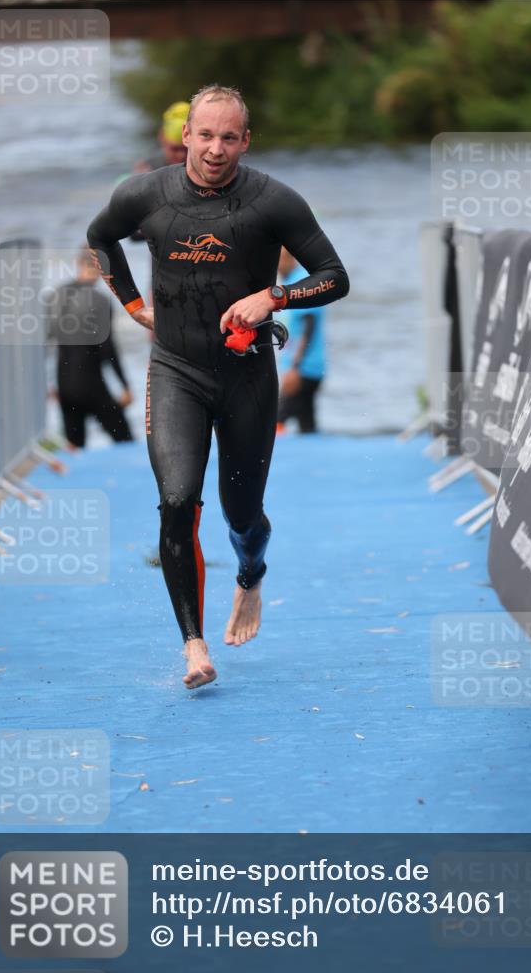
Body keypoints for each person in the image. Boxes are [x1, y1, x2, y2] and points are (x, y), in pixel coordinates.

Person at [87, 84, 349, 690]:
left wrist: (273, 296)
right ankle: (194, 645)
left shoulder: (273, 201)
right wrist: (132, 304)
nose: (215, 149)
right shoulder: (145, 194)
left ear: (245, 141)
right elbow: (100, 237)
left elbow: (334, 276)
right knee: (178, 500)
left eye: (229, 137)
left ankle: (250, 575)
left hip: (246, 376)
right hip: (174, 371)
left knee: (242, 512)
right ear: (185, 136)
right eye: (205, 135)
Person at [47, 247, 134, 449]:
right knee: (125, 440)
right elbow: (108, 349)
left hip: (64, 385)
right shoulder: (100, 300)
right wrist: (125, 385)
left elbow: (46, 341)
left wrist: (47, 383)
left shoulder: (56, 296)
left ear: (78, 264)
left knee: (75, 447)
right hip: (92, 385)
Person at [276, 246, 327, 433]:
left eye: (280, 260)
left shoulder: (301, 283)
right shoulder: (289, 281)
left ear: (292, 259)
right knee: (307, 425)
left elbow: (309, 326)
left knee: (276, 420)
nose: (277, 265)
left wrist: (295, 368)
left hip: (303, 369)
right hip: (304, 367)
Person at [134, 101, 190, 173]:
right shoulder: (147, 168)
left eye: (187, 149)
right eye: (175, 149)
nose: (182, 155)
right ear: (161, 137)